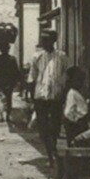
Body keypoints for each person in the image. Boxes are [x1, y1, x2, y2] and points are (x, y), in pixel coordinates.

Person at [27, 28, 67, 169]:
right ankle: (50, 154)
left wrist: (65, 94)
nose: (44, 42)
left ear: (53, 40)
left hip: (56, 97)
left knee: (55, 126)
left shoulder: (61, 56)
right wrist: (32, 98)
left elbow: (66, 75)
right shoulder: (37, 57)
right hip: (41, 97)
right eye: (42, 39)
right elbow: (32, 77)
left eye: (47, 39)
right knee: (43, 128)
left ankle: (53, 148)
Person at [0, 40, 22, 125]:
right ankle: (8, 115)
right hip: (9, 81)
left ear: (0, 49)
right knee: (8, 99)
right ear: (8, 49)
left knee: (0, 99)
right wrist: (18, 80)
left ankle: (1, 115)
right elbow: (16, 71)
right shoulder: (12, 59)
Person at [61, 65, 90, 143]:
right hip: (76, 123)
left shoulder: (76, 93)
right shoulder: (72, 94)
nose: (81, 83)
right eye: (78, 80)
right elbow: (69, 111)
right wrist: (76, 119)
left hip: (77, 121)